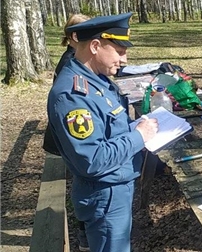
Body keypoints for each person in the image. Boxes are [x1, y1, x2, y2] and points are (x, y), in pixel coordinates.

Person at [47, 13, 158, 252]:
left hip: (115, 188)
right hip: (105, 195)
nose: (124, 58)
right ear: (95, 46)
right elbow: (93, 160)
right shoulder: (73, 95)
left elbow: (109, 131)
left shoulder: (96, 80)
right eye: (119, 51)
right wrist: (139, 136)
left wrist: (135, 129)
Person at [42, 13, 91, 251]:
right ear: (74, 37)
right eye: (89, 32)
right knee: (85, 180)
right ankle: (84, 238)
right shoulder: (70, 63)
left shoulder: (73, 57)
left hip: (63, 138)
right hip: (65, 141)